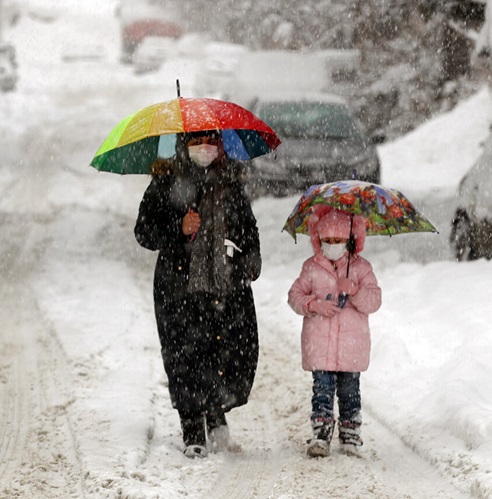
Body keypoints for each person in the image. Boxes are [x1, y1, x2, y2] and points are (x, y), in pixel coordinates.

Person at [134, 129, 262, 458]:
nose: (203, 148)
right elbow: (144, 232)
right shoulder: (165, 181)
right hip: (178, 287)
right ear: (183, 145)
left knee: (224, 352)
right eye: (195, 141)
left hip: (225, 286)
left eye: (209, 141)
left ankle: (217, 413)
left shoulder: (230, 182)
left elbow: (247, 227)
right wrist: (179, 228)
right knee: (184, 356)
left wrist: (250, 258)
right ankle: (192, 428)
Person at [287, 206, 382, 458]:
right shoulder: (312, 268)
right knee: (322, 390)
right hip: (320, 345)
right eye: (327, 240)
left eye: (338, 240)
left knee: (350, 391)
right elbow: (294, 296)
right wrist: (314, 304)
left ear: (350, 240)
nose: (332, 245)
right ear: (319, 239)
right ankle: (321, 433)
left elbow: (374, 301)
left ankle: (350, 433)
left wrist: (355, 291)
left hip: (351, 346)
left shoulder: (361, 269)